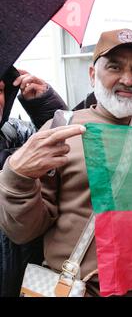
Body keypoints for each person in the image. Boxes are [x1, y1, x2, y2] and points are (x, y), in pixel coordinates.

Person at [0, 29, 132, 297]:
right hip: (76, 290)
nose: (127, 79)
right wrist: (17, 178)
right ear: (92, 74)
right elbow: (24, 231)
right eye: (115, 67)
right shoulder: (60, 128)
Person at [0, 66, 67, 296]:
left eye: (0, 90)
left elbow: (65, 146)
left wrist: (43, 104)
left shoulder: (15, 133)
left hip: (27, 277)